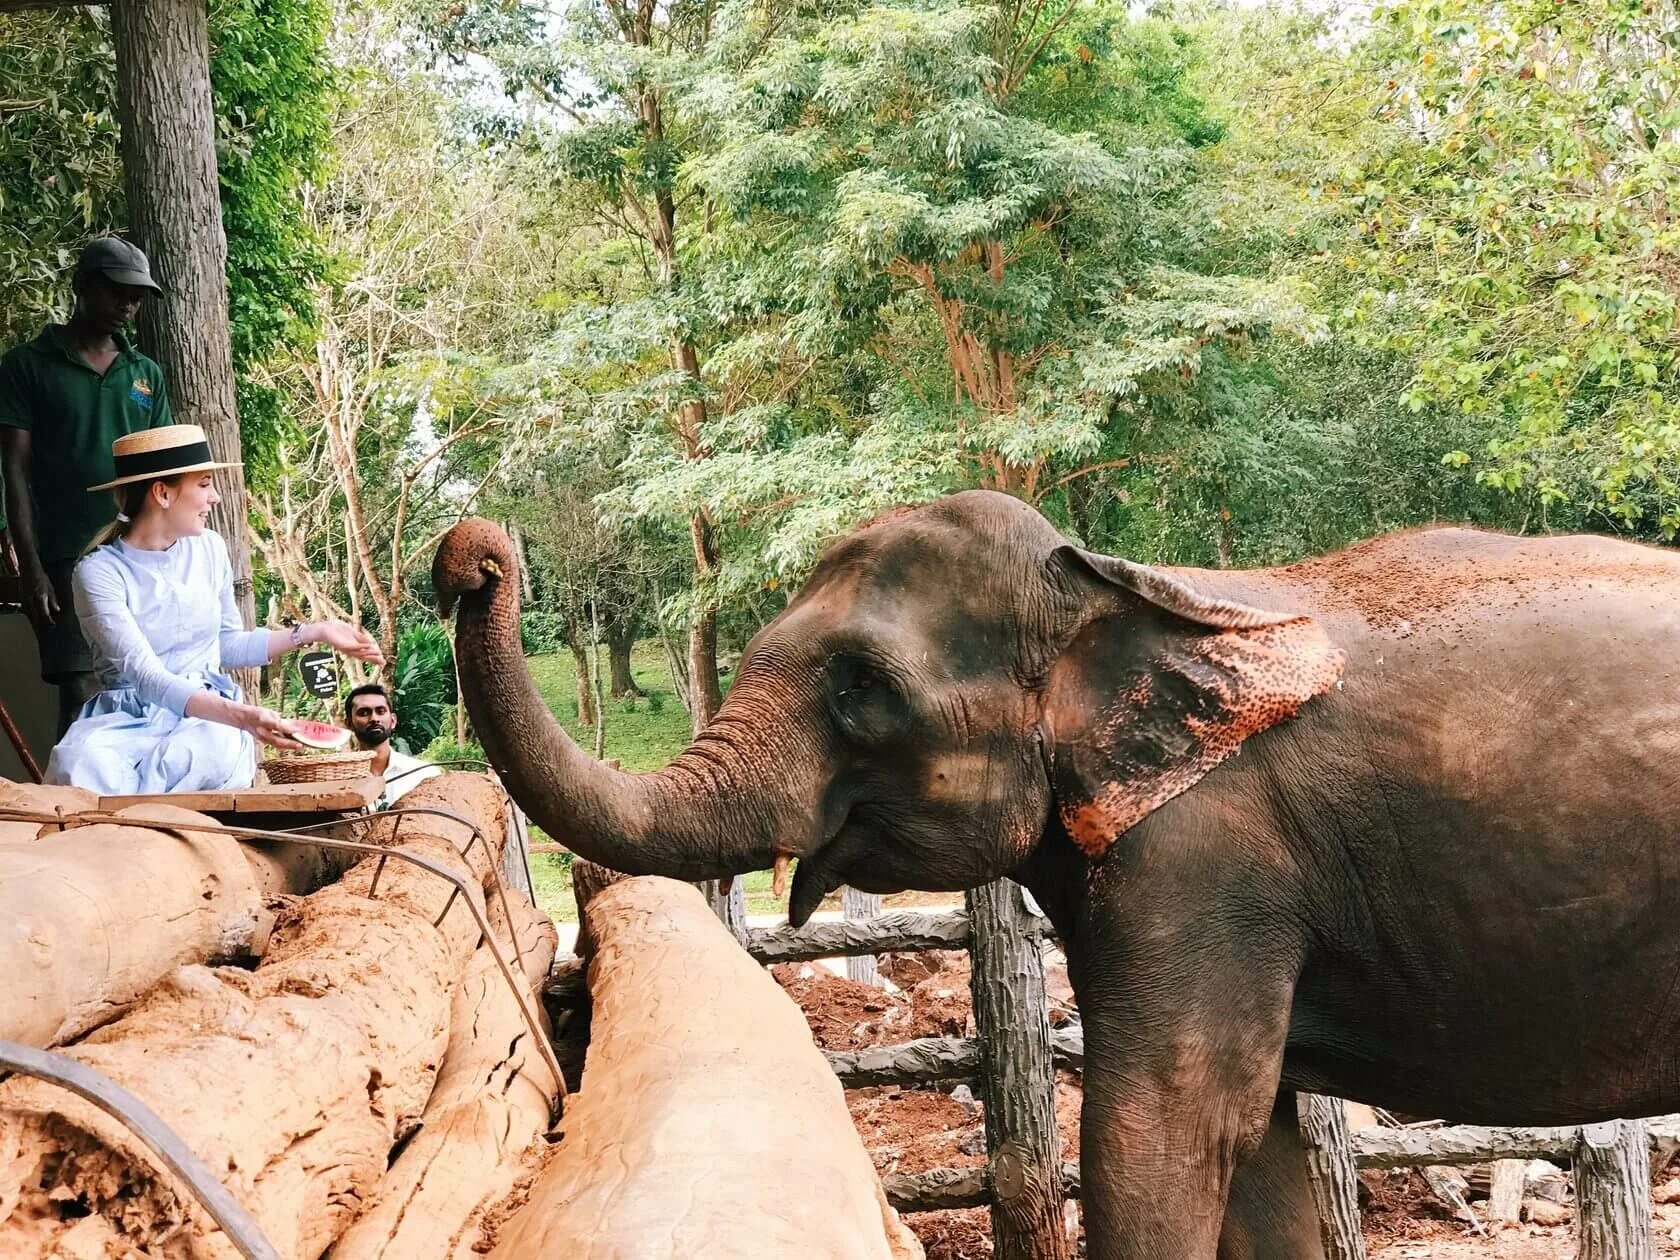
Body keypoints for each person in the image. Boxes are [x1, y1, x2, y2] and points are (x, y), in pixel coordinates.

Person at [45, 425, 384, 795]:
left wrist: (315, 631)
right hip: (126, 720)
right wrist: (244, 717)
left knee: (201, 752)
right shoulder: (98, 571)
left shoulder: (210, 548)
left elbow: (226, 644)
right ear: (162, 493)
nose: (216, 497)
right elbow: (145, 675)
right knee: (79, 764)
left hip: (206, 722)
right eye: (204, 484)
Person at [0, 238, 172, 736]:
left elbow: (163, 473)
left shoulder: (145, 375)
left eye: (137, 296)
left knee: (136, 689)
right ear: (82, 288)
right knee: (79, 691)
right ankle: (71, 810)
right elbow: (13, 469)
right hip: (63, 556)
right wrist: (31, 569)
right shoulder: (27, 366)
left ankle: (129, 812)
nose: (129, 305)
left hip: (137, 559)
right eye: (117, 291)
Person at [344, 682, 440, 804]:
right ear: (348, 723)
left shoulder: (424, 774)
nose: (374, 718)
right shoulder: (339, 782)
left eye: (381, 711)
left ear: (393, 720)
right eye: (364, 713)